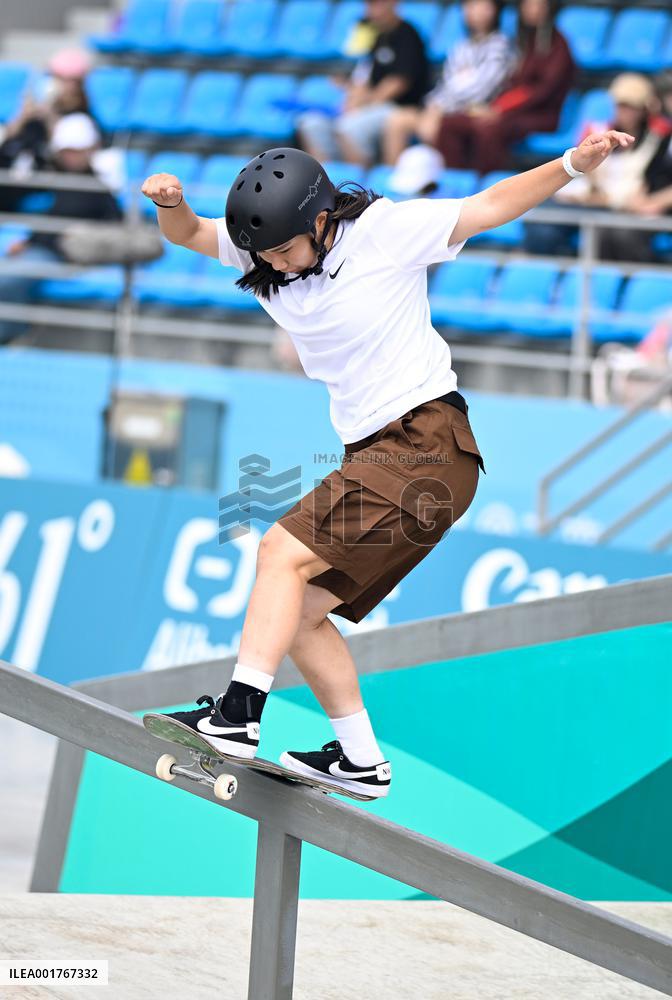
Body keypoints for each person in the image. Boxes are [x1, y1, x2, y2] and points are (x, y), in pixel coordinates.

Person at [141, 128, 633, 798]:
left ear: (321, 220)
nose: (276, 265)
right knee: (296, 610)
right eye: (265, 255)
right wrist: (170, 203)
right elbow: (191, 234)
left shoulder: (383, 232)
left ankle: (237, 716)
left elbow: (489, 206)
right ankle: (361, 761)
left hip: (425, 443)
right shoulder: (269, 248)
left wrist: (573, 163)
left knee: (278, 553)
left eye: (285, 250)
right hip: (385, 454)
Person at [0, 113, 122, 346]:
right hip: (39, 251)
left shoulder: (98, 187)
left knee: (5, 280)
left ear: (89, 150)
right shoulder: (51, 178)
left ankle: (9, 336)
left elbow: (114, 225)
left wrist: (84, 237)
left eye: (75, 150)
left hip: (63, 256)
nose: (70, 156)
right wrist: (28, 242)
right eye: (66, 150)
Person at [525, 74, 672, 261]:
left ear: (644, 109)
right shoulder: (596, 131)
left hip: (617, 206)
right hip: (586, 199)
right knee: (541, 225)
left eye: (631, 106)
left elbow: (642, 187)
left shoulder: (657, 139)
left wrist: (611, 199)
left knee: (611, 235)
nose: (625, 112)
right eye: (620, 105)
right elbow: (584, 170)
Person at [435, 0, 575, 174]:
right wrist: (493, 107)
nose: (532, 9)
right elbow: (511, 84)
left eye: (538, 5)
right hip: (510, 110)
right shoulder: (524, 40)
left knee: (489, 129)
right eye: (527, 4)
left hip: (540, 114)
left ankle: (487, 183)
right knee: (450, 123)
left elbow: (540, 92)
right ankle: (457, 181)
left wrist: (500, 109)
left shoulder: (557, 45)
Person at [298, 0, 430, 167]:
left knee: (349, 126)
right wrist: (352, 95)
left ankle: (359, 178)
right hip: (371, 105)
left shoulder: (408, 34)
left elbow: (399, 82)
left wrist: (365, 103)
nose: (371, 10)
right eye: (368, 5)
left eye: (377, 4)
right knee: (311, 123)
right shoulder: (375, 35)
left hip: (398, 107)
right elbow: (364, 75)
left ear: (393, 3)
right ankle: (326, 175)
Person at [382, 0, 514, 165]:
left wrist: (441, 108)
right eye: (470, 5)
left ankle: (441, 176)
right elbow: (446, 84)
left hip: (474, 110)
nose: (475, 11)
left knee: (436, 128)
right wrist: (433, 105)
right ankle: (392, 177)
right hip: (444, 109)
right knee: (397, 120)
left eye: (482, 5)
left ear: (495, 10)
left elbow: (481, 89)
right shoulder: (462, 46)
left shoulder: (501, 46)